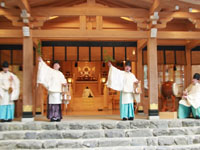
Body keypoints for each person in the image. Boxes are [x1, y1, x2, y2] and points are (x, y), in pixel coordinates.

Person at [37, 57, 68, 122]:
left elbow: (63, 80)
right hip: (52, 90)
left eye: (57, 65)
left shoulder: (60, 74)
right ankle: (52, 117)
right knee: (52, 104)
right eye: (55, 65)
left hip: (58, 91)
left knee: (57, 104)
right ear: (53, 66)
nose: (56, 66)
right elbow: (44, 68)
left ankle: (57, 116)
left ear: (59, 66)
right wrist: (41, 61)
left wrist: (65, 83)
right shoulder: (50, 71)